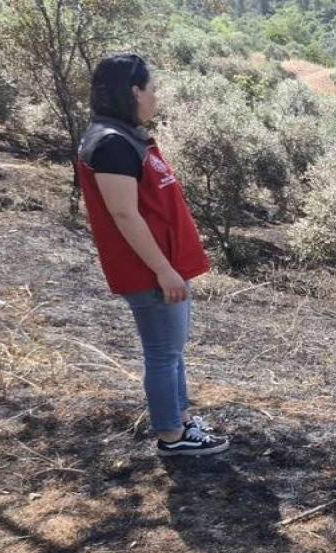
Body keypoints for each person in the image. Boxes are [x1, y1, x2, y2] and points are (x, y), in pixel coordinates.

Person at [76, 53, 228, 457]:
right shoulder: (110, 143)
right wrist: (163, 269)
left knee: (171, 351)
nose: (156, 98)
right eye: (152, 90)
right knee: (162, 354)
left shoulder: (124, 136)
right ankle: (171, 437)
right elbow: (123, 213)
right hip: (150, 271)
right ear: (134, 91)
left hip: (163, 267)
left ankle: (179, 420)